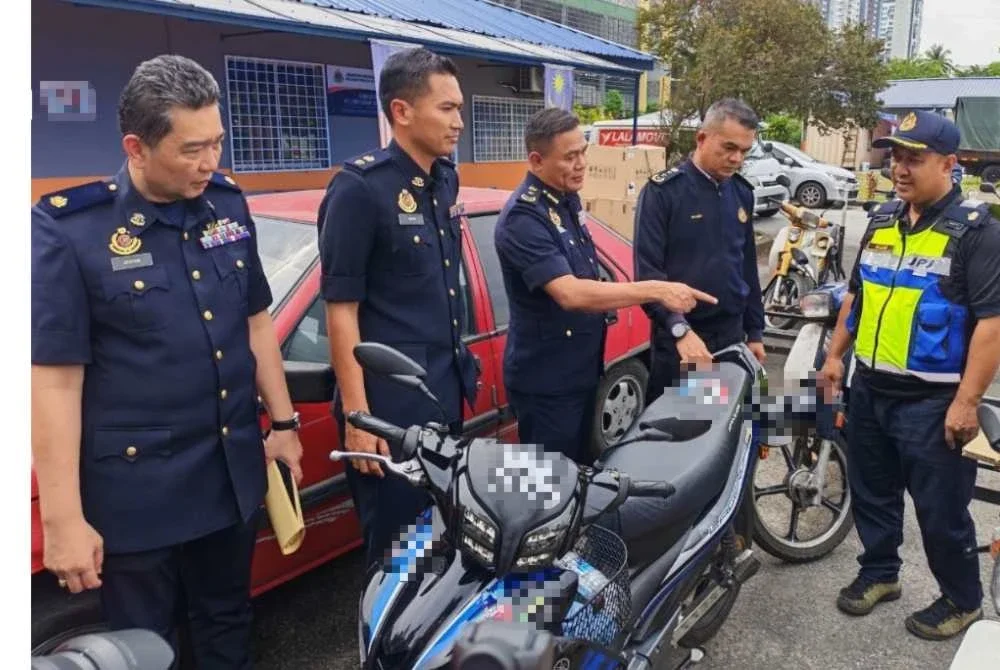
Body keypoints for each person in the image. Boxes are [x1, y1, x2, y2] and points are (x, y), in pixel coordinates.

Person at [30, 55, 303, 668]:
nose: (211, 162)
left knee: (228, 621)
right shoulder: (70, 230)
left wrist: (284, 427)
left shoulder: (227, 206)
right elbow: (54, 382)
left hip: (229, 474)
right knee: (144, 646)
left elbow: (256, 320)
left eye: (217, 144)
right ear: (136, 146)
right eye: (192, 149)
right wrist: (65, 519)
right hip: (136, 493)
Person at [820, 110, 1000, 640]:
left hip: (934, 400)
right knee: (872, 491)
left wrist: (968, 402)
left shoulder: (977, 233)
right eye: (895, 155)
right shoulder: (881, 220)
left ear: (949, 163)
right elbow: (856, 296)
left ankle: (962, 599)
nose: (899, 167)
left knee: (941, 510)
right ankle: (880, 573)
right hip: (872, 388)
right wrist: (835, 358)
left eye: (913, 157)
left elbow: (993, 325)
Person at [317, 48, 478, 568]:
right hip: (389, 410)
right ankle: (387, 649)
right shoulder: (359, 189)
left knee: (439, 535)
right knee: (395, 551)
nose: (459, 121)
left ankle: (435, 646)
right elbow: (341, 310)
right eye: (447, 109)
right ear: (402, 111)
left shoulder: (443, 179)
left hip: (440, 391)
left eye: (460, 108)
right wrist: (359, 416)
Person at [493, 107, 717, 464]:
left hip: (579, 370)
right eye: (570, 157)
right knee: (548, 485)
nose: (581, 163)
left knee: (577, 473)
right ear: (536, 160)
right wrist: (656, 289)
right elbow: (572, 293)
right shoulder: (523, 217)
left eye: (583, 151)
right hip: (547, 382)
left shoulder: (566, 200)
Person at [633, 98, 767, 405]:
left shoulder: (741, 193)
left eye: (744, 152)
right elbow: (648, 275)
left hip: (731, 337)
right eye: (729, 148)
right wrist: (679, 330)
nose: (736, 159)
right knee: (680, 435)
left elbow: (747, 267)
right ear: (702, 138)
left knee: (727, 430)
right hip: (685, 339)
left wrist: (755, 331)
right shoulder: (664, 193)